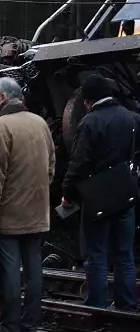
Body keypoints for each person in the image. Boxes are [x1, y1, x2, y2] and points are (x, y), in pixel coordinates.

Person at [0, 77, 55, 332]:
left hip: (9, 215)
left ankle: (11, 324)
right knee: (34, 270)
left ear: (4, 97)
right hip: (37, 212)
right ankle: (31, 323)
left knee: (10, 270)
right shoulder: (40, 123)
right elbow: (51, 167)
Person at [61, 73, 139, 311]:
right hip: (127, 195)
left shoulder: (90, 122)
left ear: (88, 101)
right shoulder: (133, 118)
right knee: (124, 254)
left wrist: (68, 192)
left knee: (96, 253)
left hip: (98, 198)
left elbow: (79, 162)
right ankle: (127, 304)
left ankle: (97, 305)